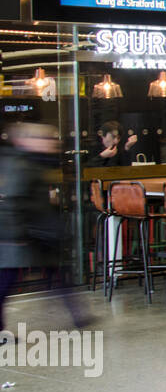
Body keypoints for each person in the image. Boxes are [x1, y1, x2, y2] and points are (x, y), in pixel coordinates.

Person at [0, 123, 92, 337]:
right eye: (45, 139)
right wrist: (18, 235)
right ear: (25, 141)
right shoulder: (21, 165)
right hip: (21, 236)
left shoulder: (30, 163)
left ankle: (78, 314)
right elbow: (14, 202)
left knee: (56, 273)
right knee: (6, 282)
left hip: (35, 234)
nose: (53, 143)